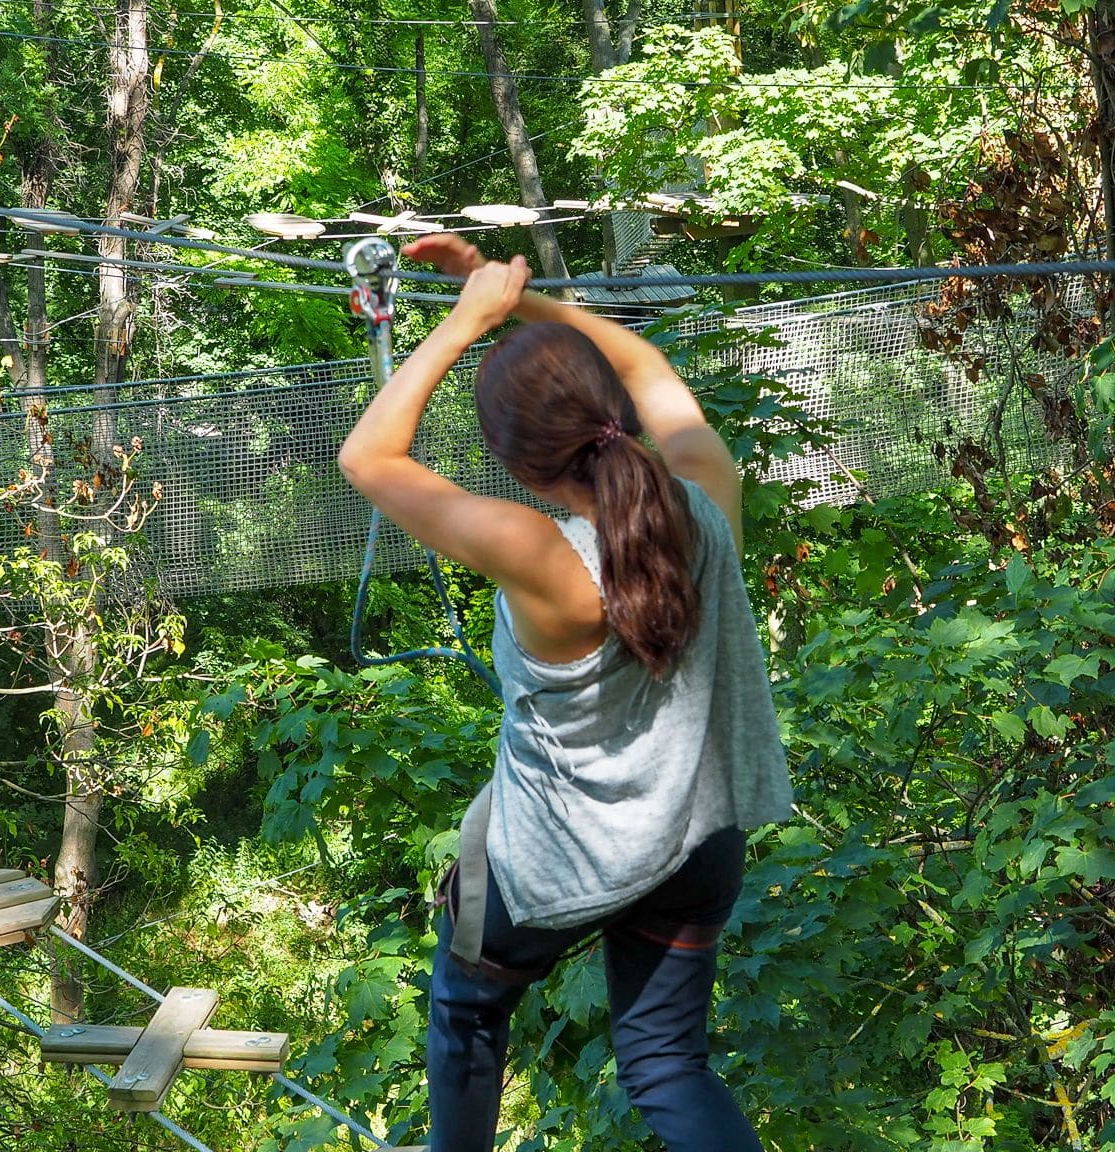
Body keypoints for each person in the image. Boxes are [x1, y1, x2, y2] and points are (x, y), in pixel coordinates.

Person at [338, 234, 792, 1152]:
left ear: (517, 466)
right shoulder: (708, 494)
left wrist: (468, 323)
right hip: (696, 844)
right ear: (612, 418)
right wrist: (513, 299)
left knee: (467, 1014)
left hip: (561, 861)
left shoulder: (542, 558)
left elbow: (368, 459)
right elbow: (644, 361)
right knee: (666, 1064)